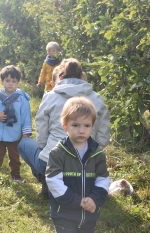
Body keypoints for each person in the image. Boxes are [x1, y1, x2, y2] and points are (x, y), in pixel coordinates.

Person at [18, 58, 110, 197]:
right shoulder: (97, 98)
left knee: (24, 143)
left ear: (59, 77)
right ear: (81, 76)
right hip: (87, 165)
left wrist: (44, 148)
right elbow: (103, 137)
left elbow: (42, 136)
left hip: (53, 161)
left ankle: (46, 181)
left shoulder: (50, 97)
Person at [46, 96, 110, 233]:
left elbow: (103, 179)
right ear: (65, 126)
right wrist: (77, 201)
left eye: (86, 126)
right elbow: (53, 181)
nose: (81, 130)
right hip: (64, 214)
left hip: (90, 214)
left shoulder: (97, 154)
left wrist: (94, 199)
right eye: (75, 125)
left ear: (92, 126)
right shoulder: (58, 153)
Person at [0, 65, 32, 183]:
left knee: (14, 155)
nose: (10, 84)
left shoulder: (21, 98)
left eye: (14, 81)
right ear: (1, 82)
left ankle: (15, 174)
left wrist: (26, 132)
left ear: (18, 83)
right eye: (7, 80)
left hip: (15, 133)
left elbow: (26, 116)